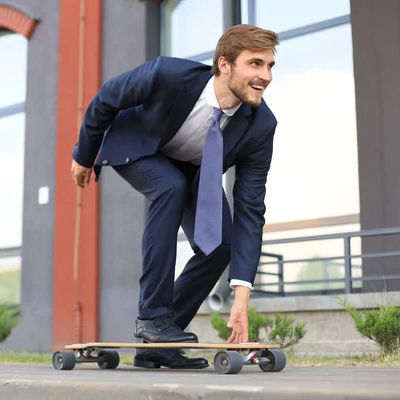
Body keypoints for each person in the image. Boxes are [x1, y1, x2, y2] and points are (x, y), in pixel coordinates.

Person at [70, 24, 279, 369]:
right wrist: (83, 154)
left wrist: (241, 295)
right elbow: (107, 98)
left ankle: (158, 344)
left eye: (270, 66)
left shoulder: (261, 125)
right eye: (255, 64)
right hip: (140, 149)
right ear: (224, 65)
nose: (266, 75)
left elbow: (250, 208)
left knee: (220, 245)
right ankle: (150, 316)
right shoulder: (168, 74)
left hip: (191, 170)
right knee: (169, 186)